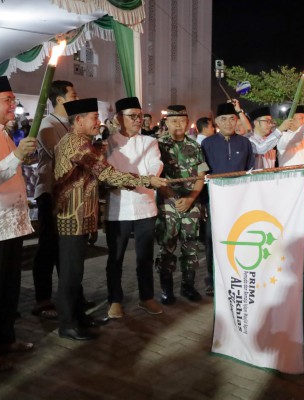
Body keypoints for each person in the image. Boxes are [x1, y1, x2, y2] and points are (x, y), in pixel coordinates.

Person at [54, 98, 167, 340]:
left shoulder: (86, 143)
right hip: (71, 215)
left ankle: (78, 317)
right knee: (71, 273)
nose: (98, 122)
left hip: (81, 215)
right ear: (78, 120)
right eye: (94, 118)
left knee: (76, 272)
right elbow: (106, 173)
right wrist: (146, 180)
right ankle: (68, 324)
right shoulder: (76, 144)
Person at [0, 76, 37, 373]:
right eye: (7, 99)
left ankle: (4, 338)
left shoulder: (3, 132)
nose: (13, 104)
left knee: (9, 286)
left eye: (13, 99)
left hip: (12, 221)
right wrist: (16, 156)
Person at [105, 97, 164, 319]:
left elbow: (155, 165)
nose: (138, 119)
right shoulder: (108, 143)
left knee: (145, 256)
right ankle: (115, 300)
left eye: (140, 115)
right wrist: (142, 179)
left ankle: (146, 297)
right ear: (118, 118)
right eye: (132, 116)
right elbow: (110, 174)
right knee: (116, 257)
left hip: (144, 205)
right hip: (117, 208)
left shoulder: (150, 141)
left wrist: (148, 177)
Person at [31, 80, 78, 320]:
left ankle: (70, 296)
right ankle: (43, 299)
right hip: (50, 192)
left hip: (69, 193)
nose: (77, 99)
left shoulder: (70, 124)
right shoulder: (46, 125)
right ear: (60, 99)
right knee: (48, 247)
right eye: (73, 95)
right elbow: (61, 156)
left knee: (66, 247)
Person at [156, 105, 209, 303]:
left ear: (187, 122)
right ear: (166, 123)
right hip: (167, 204)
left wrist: (190, 199)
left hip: (191, 202)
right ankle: (166, 288)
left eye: (182, 121)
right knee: (167, 245)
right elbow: (156, 176)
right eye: (174, 121)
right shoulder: (158, 146)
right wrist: (173, 197)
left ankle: (188, 286)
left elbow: (201, 175)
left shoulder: (196, 146)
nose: (178, 124)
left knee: (191, 245)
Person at [201, 102, 254, 295]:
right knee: (213, 240)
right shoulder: (206, 144)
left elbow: (250, 171)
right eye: (223, 119)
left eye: (232, 119)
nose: (228, 123)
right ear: (216, 121)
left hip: (239, 202)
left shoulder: (245, 143)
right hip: (214, 201)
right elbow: (202, 173)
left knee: (237, 239)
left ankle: (235, 275)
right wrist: (204, 202)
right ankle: (212, 279)